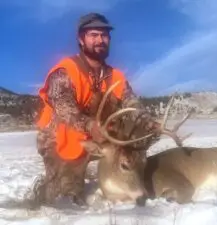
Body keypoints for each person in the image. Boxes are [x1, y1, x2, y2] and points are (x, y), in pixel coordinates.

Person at [32, 12, 160, 206]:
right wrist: (89, 125)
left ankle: (123, 180)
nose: (100, 40)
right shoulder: (66, 70)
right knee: (67, 200)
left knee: (133, 147)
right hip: (63, 139)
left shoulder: (115, 76)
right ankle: (56, 185)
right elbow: (63, 106)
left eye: (104, 35)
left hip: (104, 138)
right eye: (93, 35)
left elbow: (131, 103)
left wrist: (147, 121)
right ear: (81, 39)